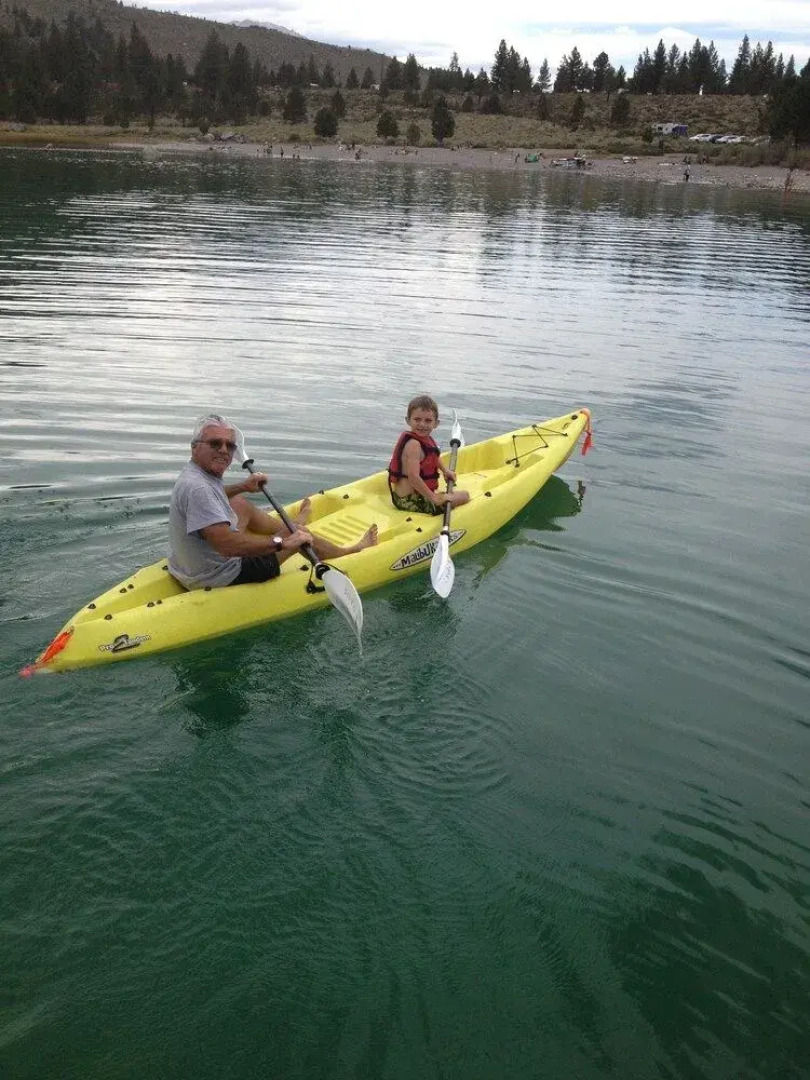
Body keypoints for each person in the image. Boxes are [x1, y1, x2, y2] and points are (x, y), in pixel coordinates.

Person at [168, 414, 377, 590]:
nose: (224, 450)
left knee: (239, 502)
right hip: (221, 574)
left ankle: (292, 524)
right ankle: (346, 552)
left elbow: (212, 495)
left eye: (230, 446)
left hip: (189, 566)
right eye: (215, 443)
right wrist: (282, 543)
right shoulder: (200, 488)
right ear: (195, 448)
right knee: (296, 533)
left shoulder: (193, 474)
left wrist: (243, 486)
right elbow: (226, 546)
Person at [388, 395, 470, 516]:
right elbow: (413, 477)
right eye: (417, 419)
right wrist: (434, 498)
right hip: (409, 501)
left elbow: (432, 456)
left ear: (436, 423)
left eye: (428, 420)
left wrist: (445, 470)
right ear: (408, 420)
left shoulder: (426, 440)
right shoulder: (413, 445)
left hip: (414, 497)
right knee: (464, 496)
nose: (422, 424)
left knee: (451, 495)